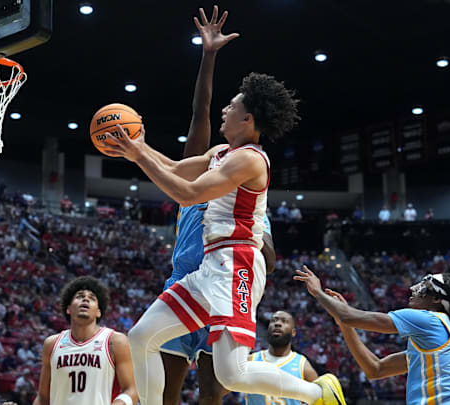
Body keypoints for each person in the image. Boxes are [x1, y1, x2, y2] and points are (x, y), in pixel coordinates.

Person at [105, 6, 344, 404]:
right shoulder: (221, 151)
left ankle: (318, 392)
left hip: (237, 266)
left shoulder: (250, 159)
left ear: (248, 119)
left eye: (231, 107)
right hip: (206, 268)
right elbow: (179, 168)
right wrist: (139, 148)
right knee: (141, 336)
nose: (225, 110)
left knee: (231, 374)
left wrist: (138, 154)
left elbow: (186, 193)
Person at [155, 7, 275, 404]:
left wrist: (258, 236)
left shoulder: (246, 199)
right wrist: (208, 56)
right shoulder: (204, 168)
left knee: (213, 392)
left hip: (222, 285)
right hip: (184, 283)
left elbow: (267, 260)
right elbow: (200, 112)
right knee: (165, 390)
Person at [294, 266, 450, 405]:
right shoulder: (433, 340)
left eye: (423, 287)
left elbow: (349, 316)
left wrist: (317, 292)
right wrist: (345, 325)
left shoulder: (430, 320)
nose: (413, 288)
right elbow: (375, 369)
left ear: (436, 300)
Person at [34, 276, 138, 405]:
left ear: (98, 312)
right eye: (79, 296)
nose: (86, 299)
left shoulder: (115, 341)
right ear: (68, 309)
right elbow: (43, 397)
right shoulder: (51, 344)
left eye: (92, 298)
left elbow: (132, 390)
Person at [245, 310, 318, 405]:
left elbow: (320, 399)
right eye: (274, 321)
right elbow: (221, 389)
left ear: (293, 332)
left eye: (284, 321)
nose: (278, 324)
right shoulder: (251, 360)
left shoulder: (303, 366)